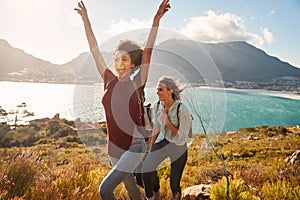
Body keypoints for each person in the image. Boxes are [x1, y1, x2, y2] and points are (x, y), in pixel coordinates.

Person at [74, 1, 170, 200]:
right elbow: (94, 50)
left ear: (133, 63)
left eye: (124, 59)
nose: (119, 63)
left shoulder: (137, 82)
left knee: (105, 190)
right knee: (132, 191)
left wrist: (156, 20)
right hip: (114, 147)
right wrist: (86, 20)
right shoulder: (108, 79)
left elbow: (148, 53)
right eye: (117, 58)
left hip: (134, 145)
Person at [142, 76, 192, 200]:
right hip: (166, 142)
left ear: (170, 92)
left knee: (174, 183)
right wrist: (151, 146)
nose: (156, 92)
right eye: (157, 89)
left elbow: (182, 136)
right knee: (146, 168)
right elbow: (157, 127)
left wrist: (168, 121)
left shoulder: (181, 109)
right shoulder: (157, 105)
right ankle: (153, 196)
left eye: (160, 90)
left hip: (179, 147)